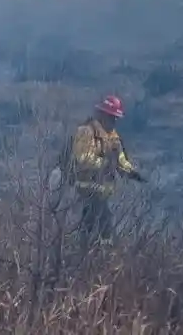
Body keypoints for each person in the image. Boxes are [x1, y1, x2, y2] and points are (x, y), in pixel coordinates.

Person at [62, 95, 146, 246]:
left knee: (93, 226)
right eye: (111, 117)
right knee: (102, 225)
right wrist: (104, 163)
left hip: (102, 191)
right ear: (102, 115)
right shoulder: (85, 132)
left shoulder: (113, 137)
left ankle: (89, 255)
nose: (113, 121)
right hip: (85, 188)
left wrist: (131, 171)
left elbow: (120, 159)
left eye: (115, 118)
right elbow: (83, 158)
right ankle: (92, 256)